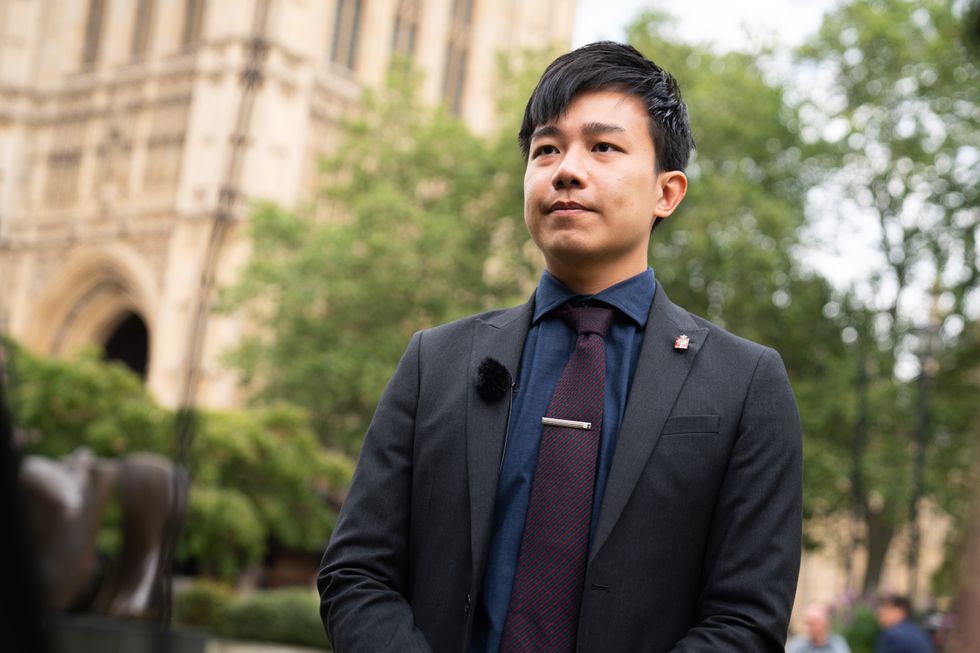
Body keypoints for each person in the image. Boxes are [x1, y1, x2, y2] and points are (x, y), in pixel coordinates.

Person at [318, 41, 803, 653]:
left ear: (668, 192)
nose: (566, 169)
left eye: (603, 147)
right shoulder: (434, 362)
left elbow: (746, 621)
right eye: (547, 149)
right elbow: (356, 572)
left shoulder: (745, 383)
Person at [786, 603, 852, 653]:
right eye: (807, 623)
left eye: (812, 624)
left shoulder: (838, 645)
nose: (808, 628)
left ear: (824, 624)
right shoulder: (797, 644)